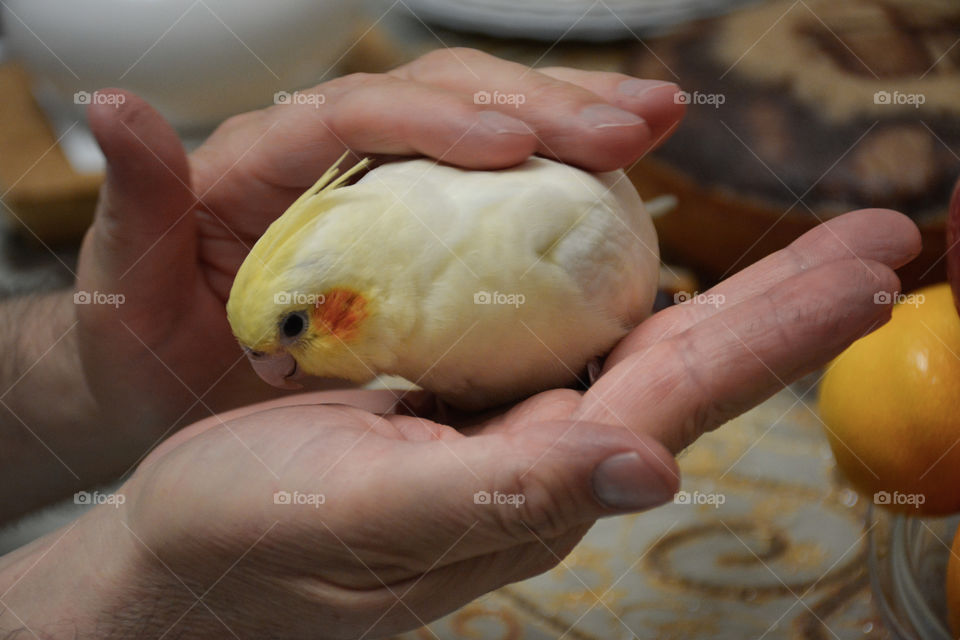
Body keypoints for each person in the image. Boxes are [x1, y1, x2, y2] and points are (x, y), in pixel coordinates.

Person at [0, 48, 920, 638]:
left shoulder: (532, 247)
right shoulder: (393, 291)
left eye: (288, 332)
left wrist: (92, 394)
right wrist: (122, 586)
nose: (273, 366)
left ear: (346, 294)